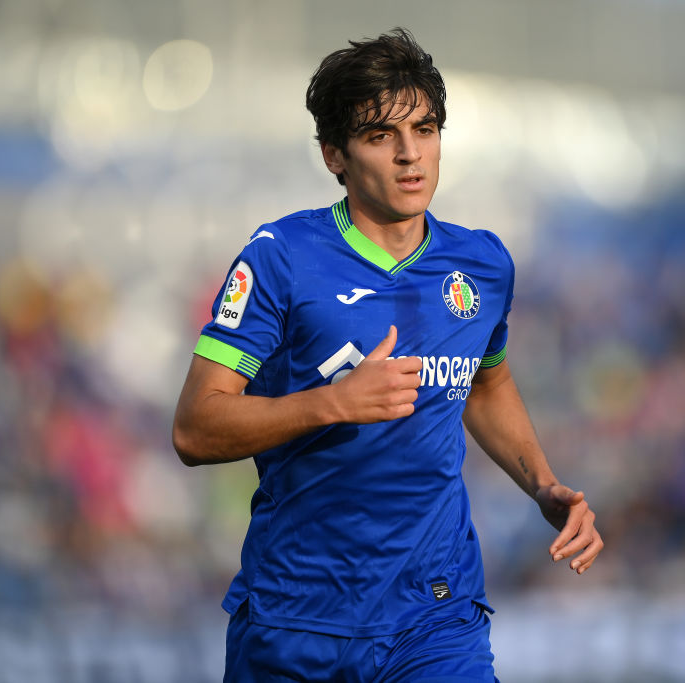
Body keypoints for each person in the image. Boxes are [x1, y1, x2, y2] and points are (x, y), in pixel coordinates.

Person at [172, 27, 603, 681]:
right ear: (334, 156)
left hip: (435, 617)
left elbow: (486, 383)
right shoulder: (280, 257)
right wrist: (333, 402)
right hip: (297, 620)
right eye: (381, 136)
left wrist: (541, 484)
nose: (411, 156)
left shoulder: (482, 264)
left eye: (426, 130)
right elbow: (194, 427)